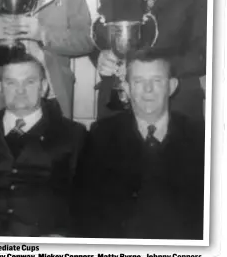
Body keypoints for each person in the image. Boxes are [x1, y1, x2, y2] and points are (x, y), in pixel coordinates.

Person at [0, 53, 86, 237]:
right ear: (0, 88)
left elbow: (88, 198)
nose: (20, 90)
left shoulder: (73, 134)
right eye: (11, 83)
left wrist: (63, 235)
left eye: (29, 82)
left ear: (44, 87)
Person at [73, 49, 205, 240]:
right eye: (138, 81)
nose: (148, 89)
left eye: (157, 81)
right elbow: (84, 210)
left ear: (172, 86)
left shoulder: (200, 137)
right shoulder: (101, 135)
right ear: (126, 88)